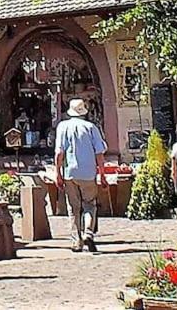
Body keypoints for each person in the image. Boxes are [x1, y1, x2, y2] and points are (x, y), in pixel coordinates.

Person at [55, 98, 107, 253]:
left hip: (70, 172)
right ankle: (88, 233)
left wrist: (58, 173)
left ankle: (76, 241)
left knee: (73, 207)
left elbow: (59, 153)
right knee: (90, 205)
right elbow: (99, 153)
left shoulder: (62, 127)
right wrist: (102, 174)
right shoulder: (91, 127)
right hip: (88, 172)